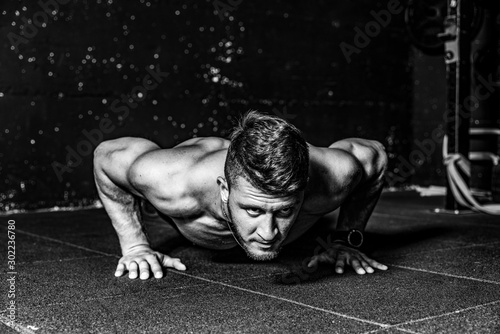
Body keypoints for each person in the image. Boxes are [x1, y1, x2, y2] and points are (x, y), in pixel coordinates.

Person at [93, 110, 388, 280]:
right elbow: (105, 156)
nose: (269, 232)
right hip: (201, 157)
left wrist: (346, 240)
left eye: (285, 211)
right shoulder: (173, 182)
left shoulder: (331, 178)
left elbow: (374, 154)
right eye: (253, 210)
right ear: (224, 189)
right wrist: (134, 246)